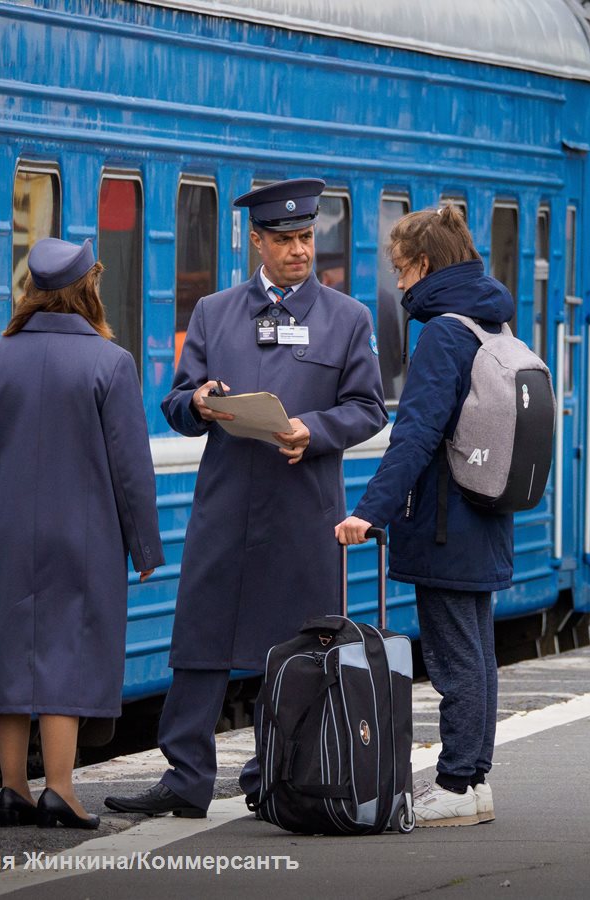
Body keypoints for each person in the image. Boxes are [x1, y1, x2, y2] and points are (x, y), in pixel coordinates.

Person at [105, 178, 387, 819]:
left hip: (302, 509)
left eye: (307, 237)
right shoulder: (214, 313)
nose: (299, 250)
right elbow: (176, 403)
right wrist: (199, 402)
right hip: (226, 507)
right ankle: (185, 779)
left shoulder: (348, 320)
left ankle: (277, 778)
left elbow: (369, 408)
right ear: (255, 241)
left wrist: (311, 431)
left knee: (296, 651)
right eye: (284, 239)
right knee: (200, 643)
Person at [0, 238, 164, 829]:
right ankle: (60, 791)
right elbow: (130, 468)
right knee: (66, 655)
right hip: (83, 539)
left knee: (10, 656)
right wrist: (144, 546)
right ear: (86, 290)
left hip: (4, 533)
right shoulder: (110, 362)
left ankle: (12, 790)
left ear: (32, 292)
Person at [335, 205, 513, 827]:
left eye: (401, 271)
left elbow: (414, 435)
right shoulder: (492, 322)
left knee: (455, 657)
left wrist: (369, 513)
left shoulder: (443, 332)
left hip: (445, 520)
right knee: (478, 652)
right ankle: (477, 779)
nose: (400, 286)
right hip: (483, 513)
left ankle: (458, 784)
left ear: (426, 265)